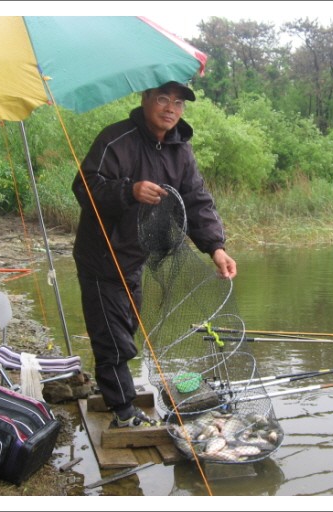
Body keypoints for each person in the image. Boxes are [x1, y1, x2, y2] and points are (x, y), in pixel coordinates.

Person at [72, 81, 237, 428]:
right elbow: (84, 186)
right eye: (163, 98)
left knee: (126, 327)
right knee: (113, 336)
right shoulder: (116, 139)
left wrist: (216, 248)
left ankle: (113, 389)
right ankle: (123, 412)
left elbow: (197, 200)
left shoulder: (180, 149)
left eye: (178, 102)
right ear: (145, 98)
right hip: (102, 254)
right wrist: (128, 190)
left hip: (136, 256)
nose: (171, 108)